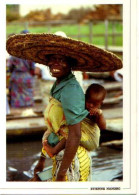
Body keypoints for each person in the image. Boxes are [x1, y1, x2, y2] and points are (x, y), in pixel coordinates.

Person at [6, 33, 122, 181]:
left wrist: (61, 173)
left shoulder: (70, 90)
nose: (56, 64)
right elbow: (54, 129)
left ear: (71, 64)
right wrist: (41, 163)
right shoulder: (59, 85)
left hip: (73, 163)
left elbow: (75, 134)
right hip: (62, 160)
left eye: (61, 60)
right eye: (52, 59)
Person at [30, 83, 106, 181]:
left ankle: (54, 150)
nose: (91, 105)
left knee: (71, 135)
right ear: (84, 97)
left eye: (95, 104)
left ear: (100, 104)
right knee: (63, 133)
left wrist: (100, 114)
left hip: (87, 138)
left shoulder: (96, 112)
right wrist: (41, 161)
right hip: (75, 139)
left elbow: (103, 126)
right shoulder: (78, 107)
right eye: (88, 102)